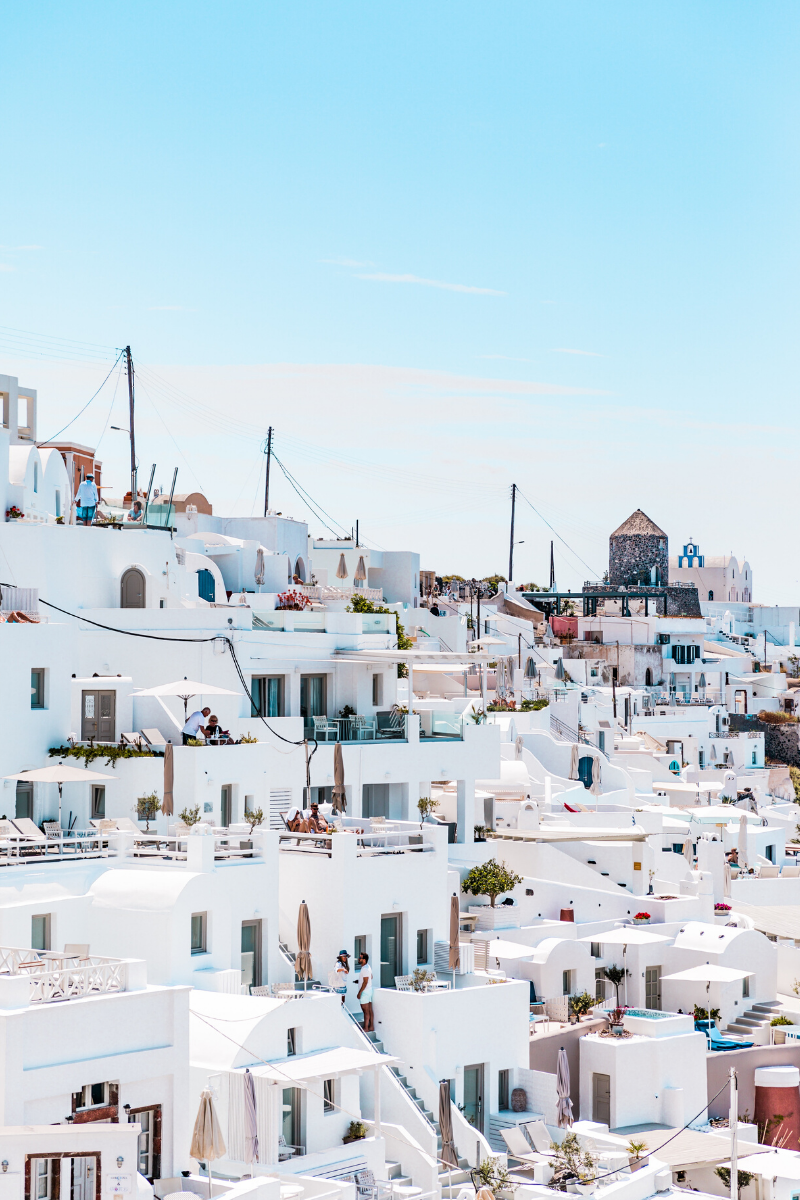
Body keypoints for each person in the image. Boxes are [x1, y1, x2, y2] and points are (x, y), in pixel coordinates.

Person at [356, 951, 374, 1031]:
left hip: (365, 992)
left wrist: (359, 993)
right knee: (369, 1010)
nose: (358, 959)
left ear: (364, 960)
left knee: (365, 1011)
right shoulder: (367, 967)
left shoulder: (365, 969)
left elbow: (366, 981)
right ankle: (371, 1026)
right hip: (369, 990)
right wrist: (359, 981)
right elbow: (371, 977)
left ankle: (366, 1028)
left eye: (360, 958)